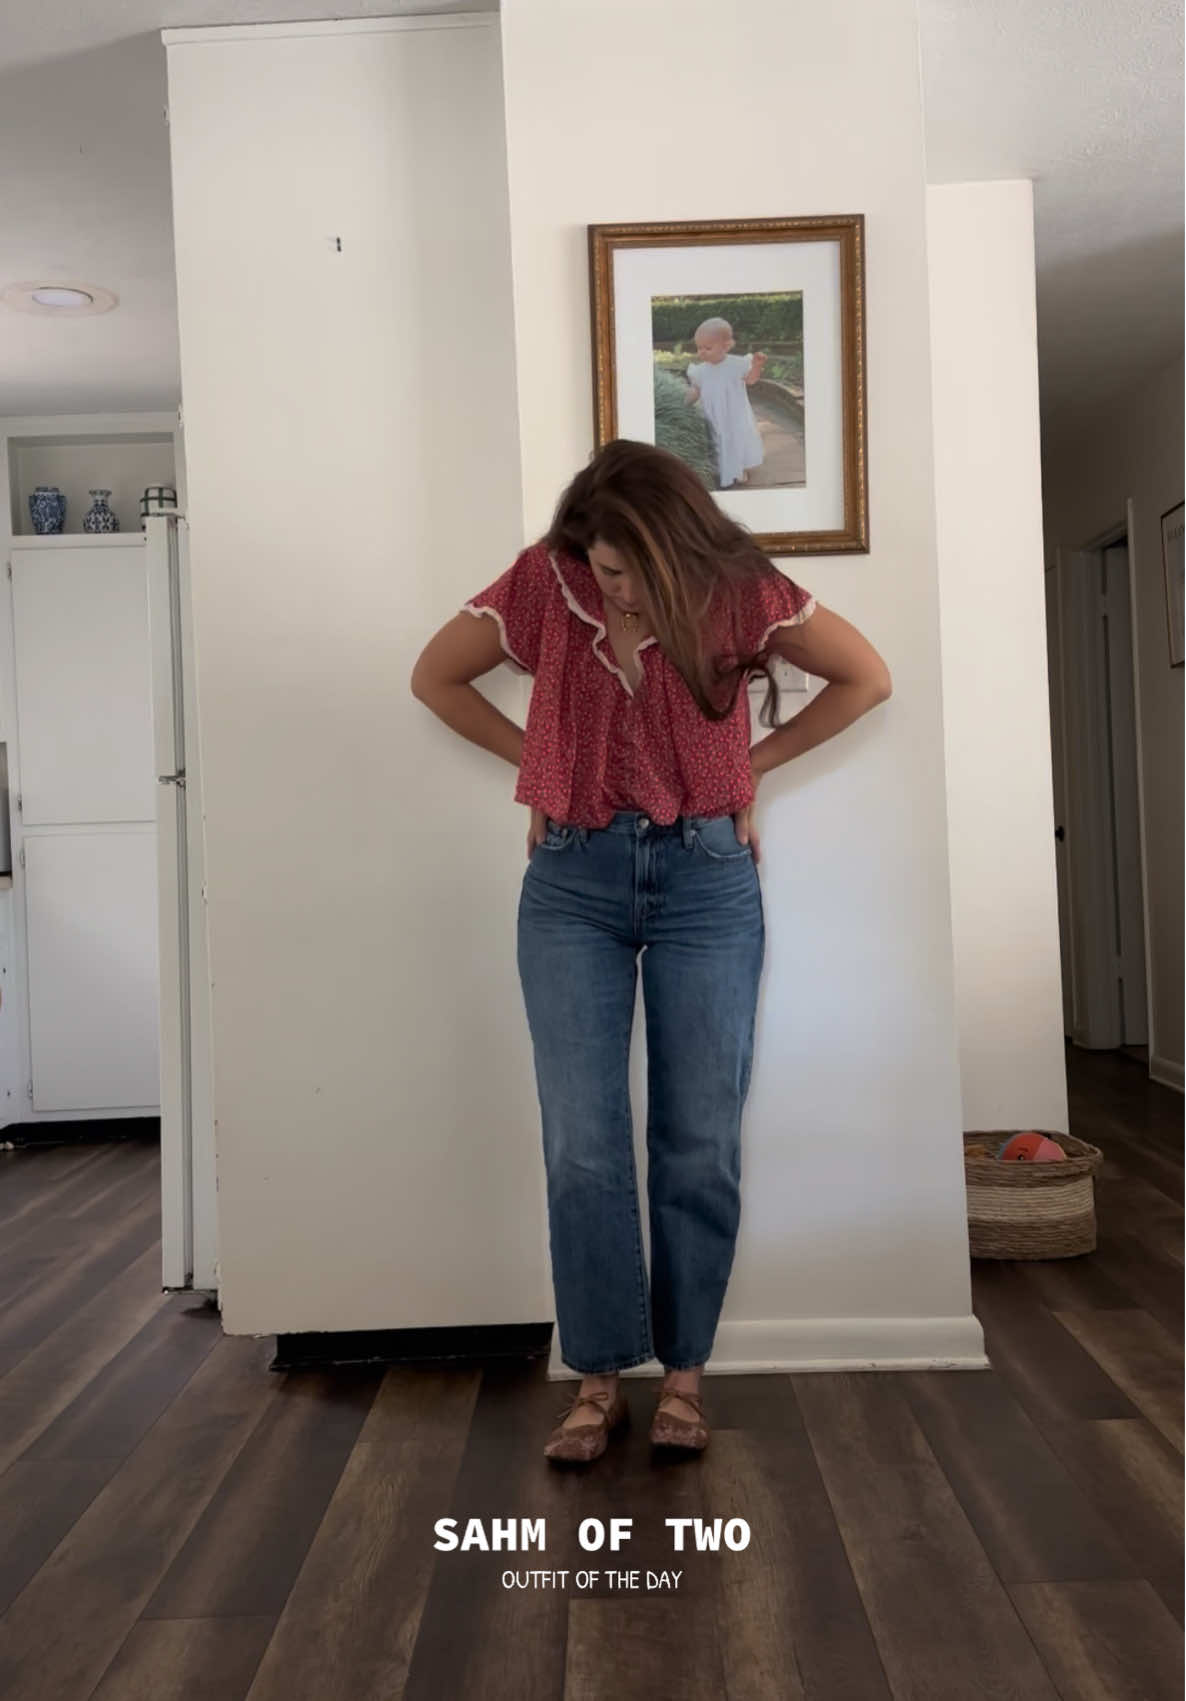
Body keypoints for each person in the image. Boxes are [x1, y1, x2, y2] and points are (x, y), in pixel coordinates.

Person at [410, 439, 891, 1466]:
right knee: (581, 1143)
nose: (615, 588)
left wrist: (746, 770)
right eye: (603, 567)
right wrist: (543, 769)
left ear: (676, 549)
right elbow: (435, 677)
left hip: (705, 881)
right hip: (571, 884)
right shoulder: (547, 581)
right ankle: (596, 1380)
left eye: (630, 571)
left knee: (697, 1139)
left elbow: (866, 678)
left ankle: (683, 1378)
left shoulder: (739, 591)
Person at [684, 316, 767, 489]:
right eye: (699, 348)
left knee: (736, 441)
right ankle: (720, 468)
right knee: (715, 441)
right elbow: (696, 391)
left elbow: (751, 380)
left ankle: (738, 468)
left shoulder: (737, 364)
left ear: (726, 346)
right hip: (713, 415)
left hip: (735, 415)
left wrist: (757, 366)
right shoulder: (700, 371)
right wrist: (681, 402)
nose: (702, 352)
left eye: (708, 348)